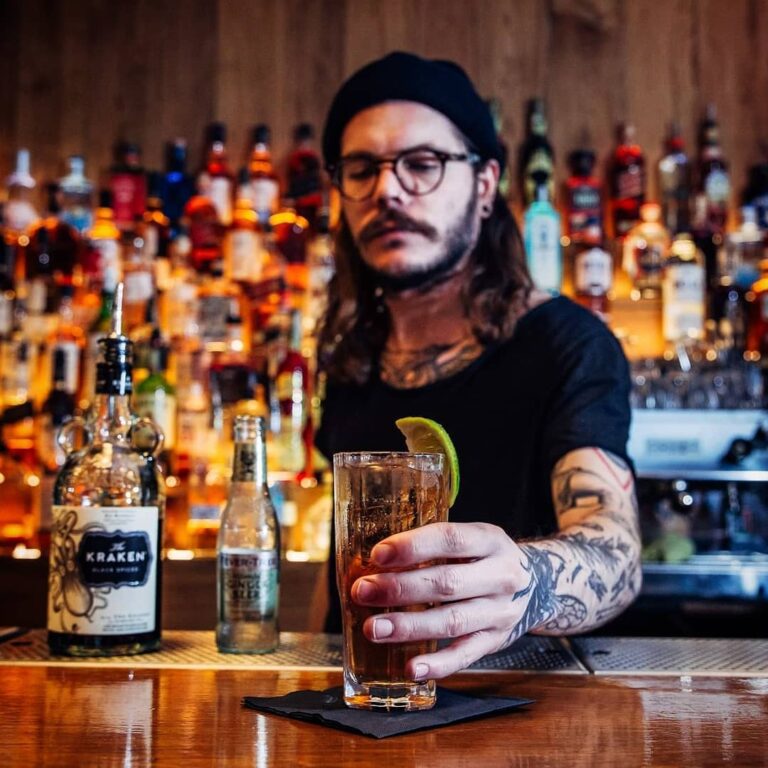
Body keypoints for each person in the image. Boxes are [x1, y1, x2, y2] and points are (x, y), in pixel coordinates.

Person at [315, 51, 641, 680]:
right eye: (362, 169)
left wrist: (530, 582)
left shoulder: (566, 342)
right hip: (362, 706)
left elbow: (618, 553)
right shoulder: (350, 361)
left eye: (422, 164)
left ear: (485, 185)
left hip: (522, 716)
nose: (387, 189)